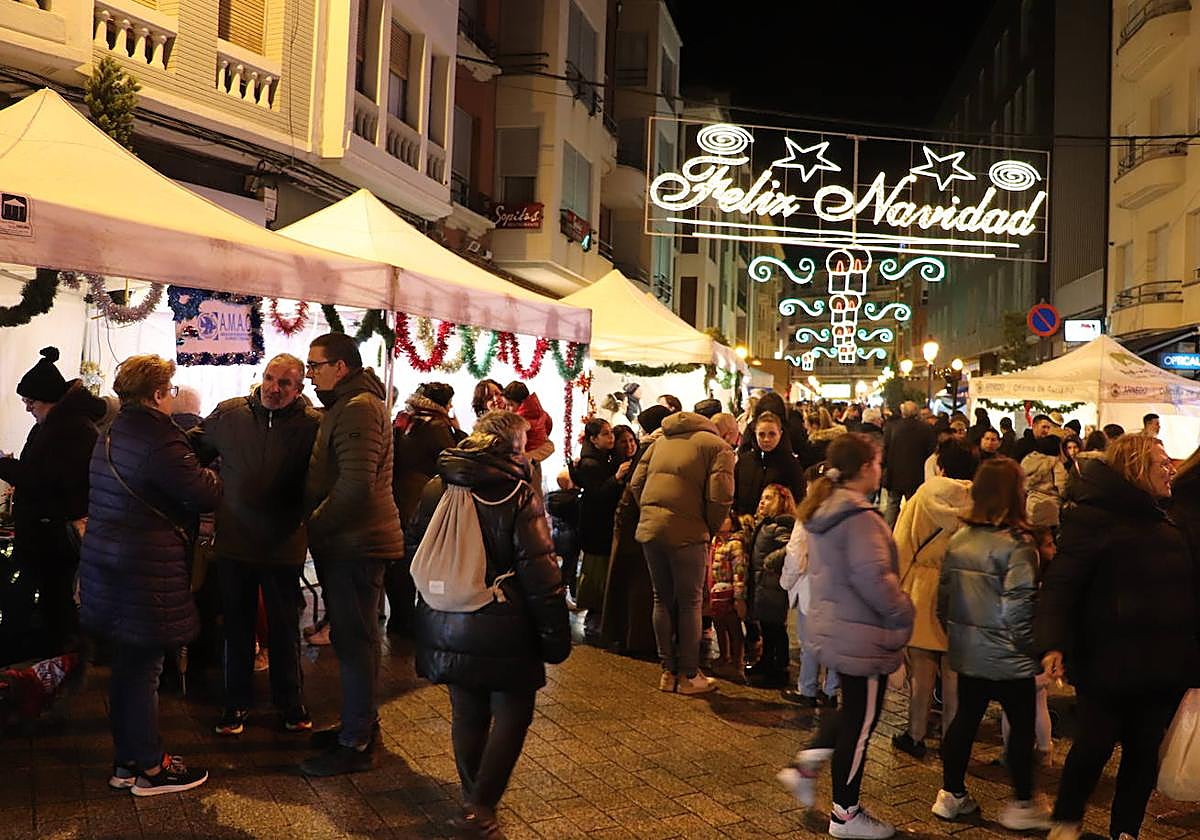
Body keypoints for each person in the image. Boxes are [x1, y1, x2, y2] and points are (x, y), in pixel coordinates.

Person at [408, 410, 569, 838]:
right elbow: (540, 572)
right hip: (504, 622)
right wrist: (556, 635)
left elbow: (415, 546)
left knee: (467, 709)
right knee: (513, 712)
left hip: (445, 618)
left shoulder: (436, 486)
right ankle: (481, 806)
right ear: (513, 447)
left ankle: (471, 798)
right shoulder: (517, 494)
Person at [1036, 434, 1198, 840]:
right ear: (1138, 469)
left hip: (1162, 662)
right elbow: (1062, 584)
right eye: (1161, 464)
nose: (1171, 469)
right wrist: (1051, 642)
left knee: (1143, 754)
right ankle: (1067, 820)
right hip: (1106, 659)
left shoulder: (1171, 517)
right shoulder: (1095, 518)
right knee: (1093, 745)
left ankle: (1125, 831)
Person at [79, 354, 221, 795]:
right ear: (159, 394)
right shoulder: (159, 439)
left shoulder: (112, 431)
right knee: (144, 669)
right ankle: (151, 767)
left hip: (111, 563)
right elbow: (201, 493)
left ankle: (126, 762)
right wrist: (217, 469)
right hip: (144, 569)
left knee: (127, 668)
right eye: (171, 389)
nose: (173, 396)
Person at [777, 434, 913, 839]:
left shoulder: (826, 508)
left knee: (853, 709)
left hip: (838, 625)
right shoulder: (859, 519)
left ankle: (805, 766)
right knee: (862, 722)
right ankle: (845, 813)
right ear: (865, 467)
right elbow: (875, 580)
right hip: (864, 631)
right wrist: (905, 611)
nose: (881, 468)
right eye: (877, 462)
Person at [189, 354, 320, 736]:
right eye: (269, 378)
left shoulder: (313, 425)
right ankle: (234, 704)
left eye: (284, 383)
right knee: (237, 627)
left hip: (284, 544)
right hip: (234, 543)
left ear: (299, 389)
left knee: (284, 627)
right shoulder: (229, 415)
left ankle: (290, 703)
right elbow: (190, 451)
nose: (273, 388)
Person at [300, 333, 405, 776]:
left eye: (315, 365)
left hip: (356, 544)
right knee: (351, 640)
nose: (311, 373)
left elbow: (356, 486)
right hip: (349, 542)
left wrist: (314, 525)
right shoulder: (348, 404)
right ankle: (357, 725)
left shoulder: (360, 407)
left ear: (340, 367)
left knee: (357, 642)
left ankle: (358, 741)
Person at [932, 457, 1050, 829]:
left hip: (969, 651)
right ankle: (1022, 803)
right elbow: (1020, 609)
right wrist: (1035, 649)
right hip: (1010, 656)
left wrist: (959, 636)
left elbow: (944, 600)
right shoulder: (1018, 545)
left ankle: (951, 793)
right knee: (1020, 725)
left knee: (965, 719)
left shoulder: (960, 539)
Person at [0, 346, 107, 659]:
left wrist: (4, 466)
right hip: (46, 531)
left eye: (30, 402)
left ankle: (62, 666)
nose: (27, 408)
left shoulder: (70, 428)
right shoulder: (57, 425)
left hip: (54, 535)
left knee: (56, 604)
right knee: (52, 602)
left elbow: (42, 477)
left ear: (46, 399)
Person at [629, 411, 735, 695]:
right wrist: (708, 527)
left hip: (652, 530)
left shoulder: (660, 441)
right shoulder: (718, 448)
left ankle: (667, 672)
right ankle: (689, 675)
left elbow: (635, 483)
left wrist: (652, 513)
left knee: (660, 599)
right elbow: (720, 496)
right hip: (689, 535)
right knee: (690, 603)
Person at [891, 440, 976, 759]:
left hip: (922, 589)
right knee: (954, 674)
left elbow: (901, 546)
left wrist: (893, 589)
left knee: (921, 672)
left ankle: (915, 734)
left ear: (939, 466)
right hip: (962, 589)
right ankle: (952, 740)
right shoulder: (979, 498)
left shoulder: (922, 496)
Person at [390, 382, 464, 635]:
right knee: (420, 560)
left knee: (400, 561)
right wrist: (458, 431)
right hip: (421, 500)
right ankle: (413, 621)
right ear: (443, 403)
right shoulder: (436, 425)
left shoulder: (406, 419)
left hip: (398, 496)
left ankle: (399, 618)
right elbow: (451, 460)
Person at [599, 406, 669, 657]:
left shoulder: (647, 447)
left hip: (631, 522)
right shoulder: (657, 447)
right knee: (641, 582)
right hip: (639, 524)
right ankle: (637, 639)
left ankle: (626, 635)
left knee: (630, 580)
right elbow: (638, 485)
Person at [781, 464, 839, 708]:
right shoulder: (846, 513)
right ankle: (831, 690)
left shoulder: (808, 515)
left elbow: (796, 554)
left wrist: (786, 581)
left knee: (810, 642)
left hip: (811, 588)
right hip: (837, 589)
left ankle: (807, 689)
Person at [571, 419, 629, 641]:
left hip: (600, 524)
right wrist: (616, 478)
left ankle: (599, 617)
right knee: (596, 571)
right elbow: (597, 494)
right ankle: (594, 617)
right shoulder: (590, 464)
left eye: (610, 433)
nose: (610, 438)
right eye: (605, 434)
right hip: (595, 525)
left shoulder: (605, 458)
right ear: (593, 439)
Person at [746, 484, 797, 688]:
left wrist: (771, 560)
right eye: (762, 497)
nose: (762, 501)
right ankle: (766, 661)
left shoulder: (780, 525)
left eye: (768, 498)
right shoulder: (765, 524)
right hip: (763, 584)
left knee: (775, 627)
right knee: (767, 625)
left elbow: (790, 548)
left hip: (772, 584)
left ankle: (778, 667)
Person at [734, 411, 805, 516]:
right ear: (755, 434)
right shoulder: (745, 461)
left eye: (772, 434)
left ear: (780, 434)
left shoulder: (790, 463)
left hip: (776, 526)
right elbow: (735, 493)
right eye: (761, 434)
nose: (766, 439)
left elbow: (799, 497)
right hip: (743, 522)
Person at [708, 514, 751, 681]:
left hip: (729, 592)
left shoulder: (735, 545)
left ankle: (737, 663)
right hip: (716, 592)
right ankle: (723, 657)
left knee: (733, 628)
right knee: (719, 625)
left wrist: (739, 597)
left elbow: (739, 571)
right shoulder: (716, 542)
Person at [882, 401, 936, 527]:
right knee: (913, 508)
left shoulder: (892, 427)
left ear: (903, 412)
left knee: (892, 506)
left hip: (894, 473)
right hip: (916, 475)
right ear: (917, 412)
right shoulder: (926, 428)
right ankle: (910, 532)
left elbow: (885, 449)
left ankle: (887, 532)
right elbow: (931, 452)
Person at [502, 381, 554, 489]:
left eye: (510, 405)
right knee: (536, 492)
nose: (507, 409)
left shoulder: (518, 420)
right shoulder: (541, 411)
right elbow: (549, 424)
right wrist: (540, 441)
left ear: (521, 403)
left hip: (526, 459)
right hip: (536, 460)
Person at [1022, 435, 1068, 528]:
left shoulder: (1029, 461)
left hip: (1031, 504)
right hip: (1050, 506)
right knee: (1048, 537)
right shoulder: (1055, 463)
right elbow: (1062, 487)